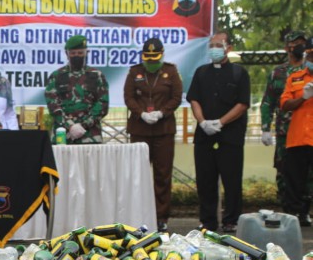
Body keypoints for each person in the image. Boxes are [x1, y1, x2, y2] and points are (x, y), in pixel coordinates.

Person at [187, 31, 250, 233]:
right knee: (205, 180)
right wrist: (203, 122)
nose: (214, 49)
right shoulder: (201, 72)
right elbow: (194, 99)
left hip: (230, 137)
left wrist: (220, 122)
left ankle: (231, 220)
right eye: (211, 45)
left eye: (218, 45)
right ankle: (208, 222)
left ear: (228, 48)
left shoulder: (239, 73)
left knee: (231, 181)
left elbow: (242, 104)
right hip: (204, 136)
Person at [123, 38, 183, 232]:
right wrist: (141, 113)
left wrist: (161, 112)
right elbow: (128, 96)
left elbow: (176, 97)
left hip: (163, 130)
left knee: (162, 175)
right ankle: (138, 214)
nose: (151, 62)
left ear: (162, 55)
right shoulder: (135, 72)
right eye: (147, 59)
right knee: (138, 175)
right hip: (140, 129)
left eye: (154, 59)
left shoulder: (171, 71)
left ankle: (161, 217)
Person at [260, 30, 309, 209]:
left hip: (306, 130)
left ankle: (304, 210)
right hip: (284, 132)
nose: (299, 46)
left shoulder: (307, 71)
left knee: (307, 173)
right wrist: (265, 128)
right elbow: (268, 102)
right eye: (295, 43)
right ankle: (286, 208)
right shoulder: (278, 72)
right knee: (283, 171)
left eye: (302, 43)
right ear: (287, 46)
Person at [44, 35, 109, 144]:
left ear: (86, 53)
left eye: (80, 53)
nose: (76, 56)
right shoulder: (57, 76)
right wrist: (70, 125)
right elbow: (53, 105)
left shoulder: (96, 75)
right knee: (61, 161)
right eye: (73, 53)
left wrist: (83, 125)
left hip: (90, 134)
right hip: (63, 134)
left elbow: (103, 104)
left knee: (91, 162)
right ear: (67, 53)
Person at [280, 36, 313, 227]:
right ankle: (293, 218)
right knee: (294, 182)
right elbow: (284, 104)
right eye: (310, 54)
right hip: (298, 138)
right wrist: (303, 97)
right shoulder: (295, 78)